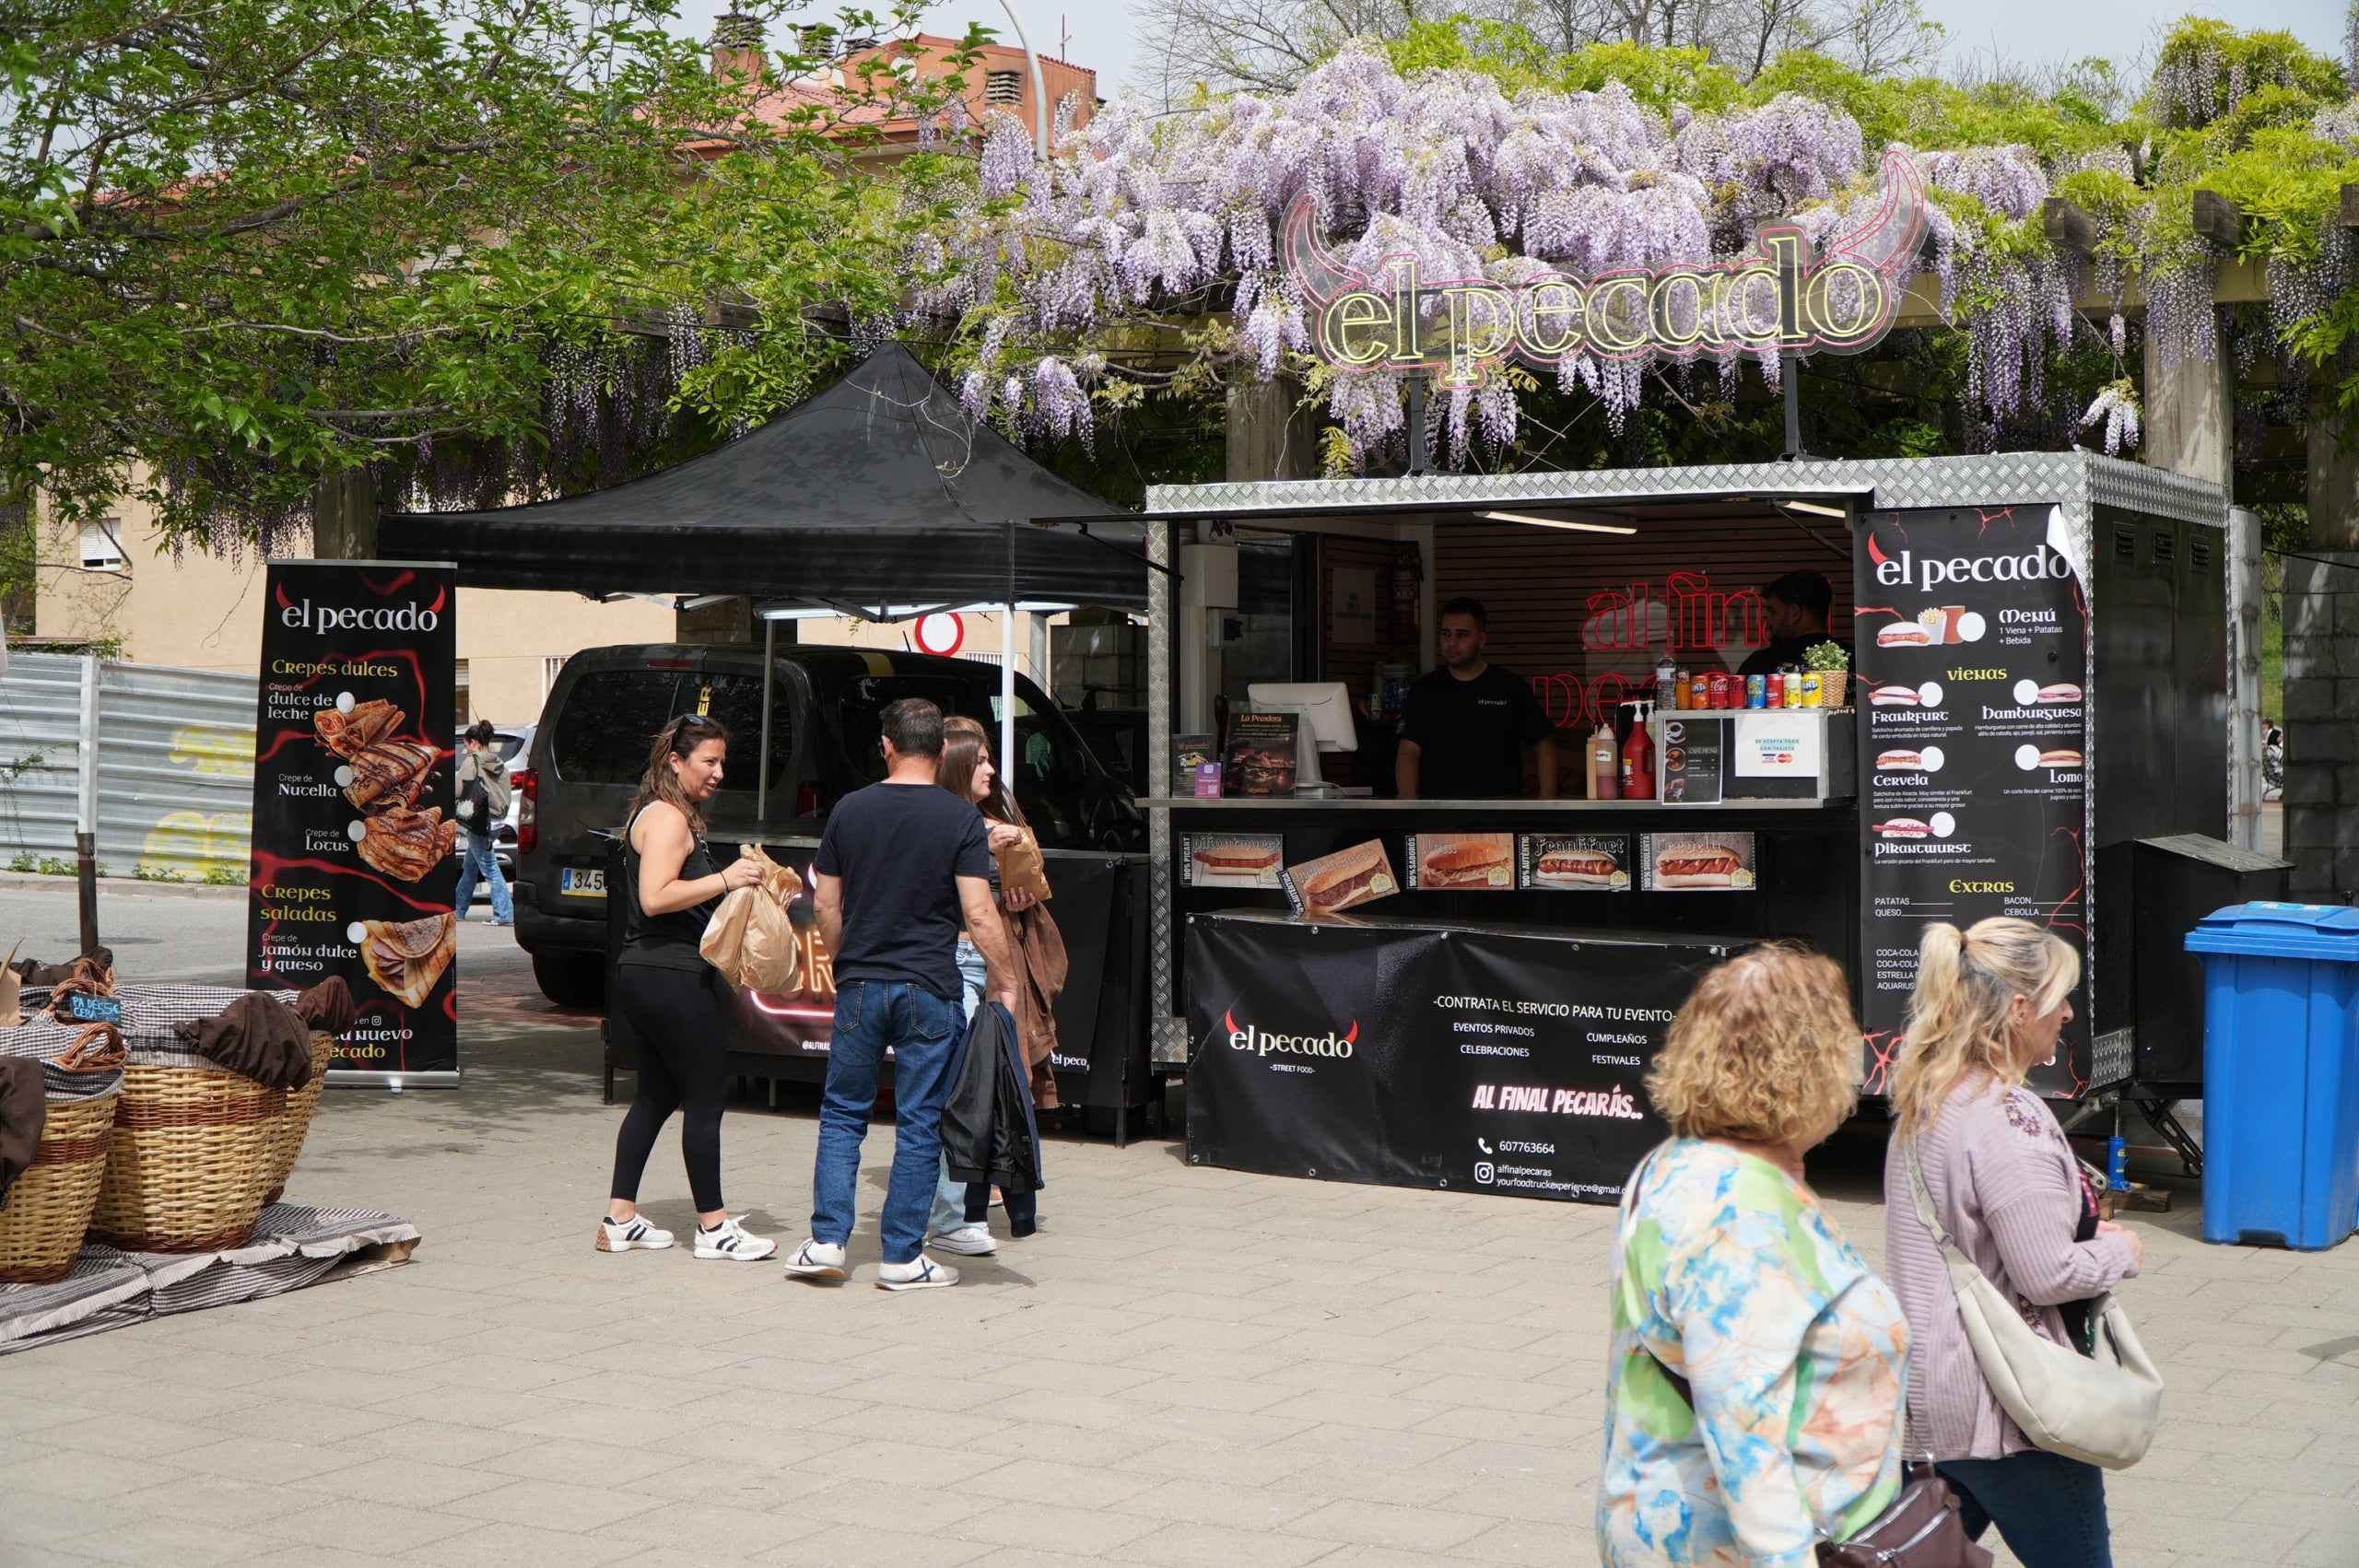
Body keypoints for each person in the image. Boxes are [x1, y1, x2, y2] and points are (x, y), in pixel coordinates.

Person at [1598, 943, 1908, 1568]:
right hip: (1735, 1546)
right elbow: (1745, 1437)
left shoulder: (1675, 1163)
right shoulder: (1740, 1218)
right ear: (1808, 1064)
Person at [1883, 919, 2142, 1568]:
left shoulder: (1927, 1097)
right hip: (2009, 1410)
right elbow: (2047, 1275)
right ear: (2020, 1008)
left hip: (1932, 1401)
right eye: (2059, 999)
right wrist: (2121, 1252)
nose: (2069, 1013)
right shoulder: (2007, 1117)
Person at [782, 697, 1017, 1291]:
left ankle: (828, 1241)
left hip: (862, 985)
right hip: (932, 988)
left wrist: (844, 962)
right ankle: (902, 1258)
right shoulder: (960, 820)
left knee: (842, 1115)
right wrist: (1006, 979)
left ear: (885, 746)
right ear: (942, 752)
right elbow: (979, 912)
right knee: (919, 1124)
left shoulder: (849, 811)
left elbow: (826, 905)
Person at [601, 714, 776, 1262]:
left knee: (657, 1094)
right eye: (710, 761)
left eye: (723, 762)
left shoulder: (668, 815)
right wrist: (727, 878)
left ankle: (620, 1218)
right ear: (676, 762)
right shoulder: (670, 818)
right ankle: (713, 1228)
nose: (719, 772)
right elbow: (656, 897)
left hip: (649, 972)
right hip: (670, 975)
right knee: (707, 1096)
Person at [927, 716, 1064, 1258]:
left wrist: (1019, 889)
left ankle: (967, 1204)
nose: (990, 769)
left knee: (990, 1084)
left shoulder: (989, 818)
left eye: (990, 758)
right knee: (960, 1088)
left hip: (989, 958)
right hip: (963, 961)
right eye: (980, 760)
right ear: (957, 766)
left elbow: (1022, 885)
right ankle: (948, 1215)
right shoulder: (952, 823)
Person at [1395, 597, 1557, 799]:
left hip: (1499, 816)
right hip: (1438, 817)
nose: (1452, 642)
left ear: (1482, 640)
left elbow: (1545, 745)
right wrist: (1411, 809)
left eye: (1462, 634)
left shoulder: (1510, 687)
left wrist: (1547, 806)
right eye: (1446, 634)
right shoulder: (1424, 690)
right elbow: (1408, 753)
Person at [452, 721, 514, 927]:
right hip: (496, 821)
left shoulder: (472, 763)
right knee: (470, 866)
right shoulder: (499, 763)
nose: (465, 749)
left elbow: (457, 790)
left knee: (489, 868)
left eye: (467, 744)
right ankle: (458, 909)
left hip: (479, 823)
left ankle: (504, 913)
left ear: (475, 742)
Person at [1738, 568, 1845, 678]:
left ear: (1795, 613)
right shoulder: (1856, 661)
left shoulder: (1761, 664)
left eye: (1772, 611)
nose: (1766, 620)